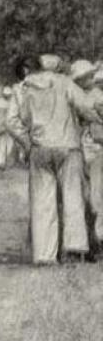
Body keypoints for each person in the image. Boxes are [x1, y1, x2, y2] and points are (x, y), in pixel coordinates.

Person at [7, 54, 101, 264]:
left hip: (40, 147)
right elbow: (85, 106)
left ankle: (44, 255)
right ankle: (75, 248)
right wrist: (94, 118)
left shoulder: (24, 88)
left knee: (42, 200)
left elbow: (15, 121)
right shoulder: (65, 83)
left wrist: (28, 143)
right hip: (68, 146)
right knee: (72, 195)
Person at [72, 61, 103, 248]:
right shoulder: (78, 94)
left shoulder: (97, 97)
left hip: (95, 147)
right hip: (83, 146)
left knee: (95, 193)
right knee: (87, 192)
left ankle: (97, 236)